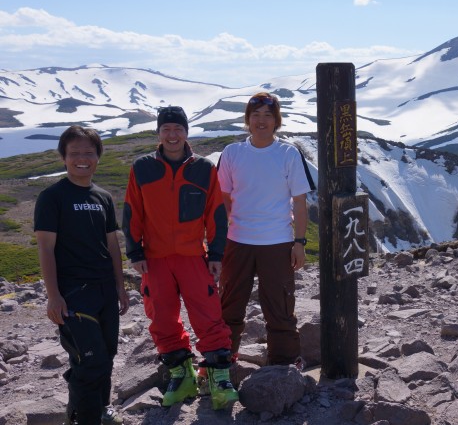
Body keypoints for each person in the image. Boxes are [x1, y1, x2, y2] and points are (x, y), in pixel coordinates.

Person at [122, 106, 238, 410]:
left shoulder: (203, 169)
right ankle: (181, 374)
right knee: (161, 317)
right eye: (166, 129)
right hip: (155, 258)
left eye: (178, 129)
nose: (172, 135)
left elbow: (216, 213)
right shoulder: (142, 168)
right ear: (159, 133)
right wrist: (134, 251)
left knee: (208, 314)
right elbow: (132, 211)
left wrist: (215, 253)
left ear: (186, 133)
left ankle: (218, 376)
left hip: (192, 256)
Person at [34, 125, 130, 425]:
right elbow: (46, 249)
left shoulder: (102, 197)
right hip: (74, 292)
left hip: (104, 290)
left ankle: (96, 410)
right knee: (91, 360)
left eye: (89, 152)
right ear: (63, 157)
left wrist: (120, 286)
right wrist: (53, 296)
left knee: (107, 355)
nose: (82, 158)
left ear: (98, 157)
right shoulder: (53, 196)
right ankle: (84, 418)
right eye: (74, 153)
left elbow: (112, 243)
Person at [217, 92, 315, 368]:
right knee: (230, 304)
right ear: (248, 120)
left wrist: (299, 242)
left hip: (278, 241)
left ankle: (283, 364)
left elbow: (299, 201)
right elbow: (222, 198)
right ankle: (222, 359)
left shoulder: (287, 153)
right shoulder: (233, 153)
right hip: (238, 240)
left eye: (267, 116)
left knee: (280, 306)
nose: (261, 121)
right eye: (256, 115)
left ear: (276, 121)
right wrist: (218, 239)